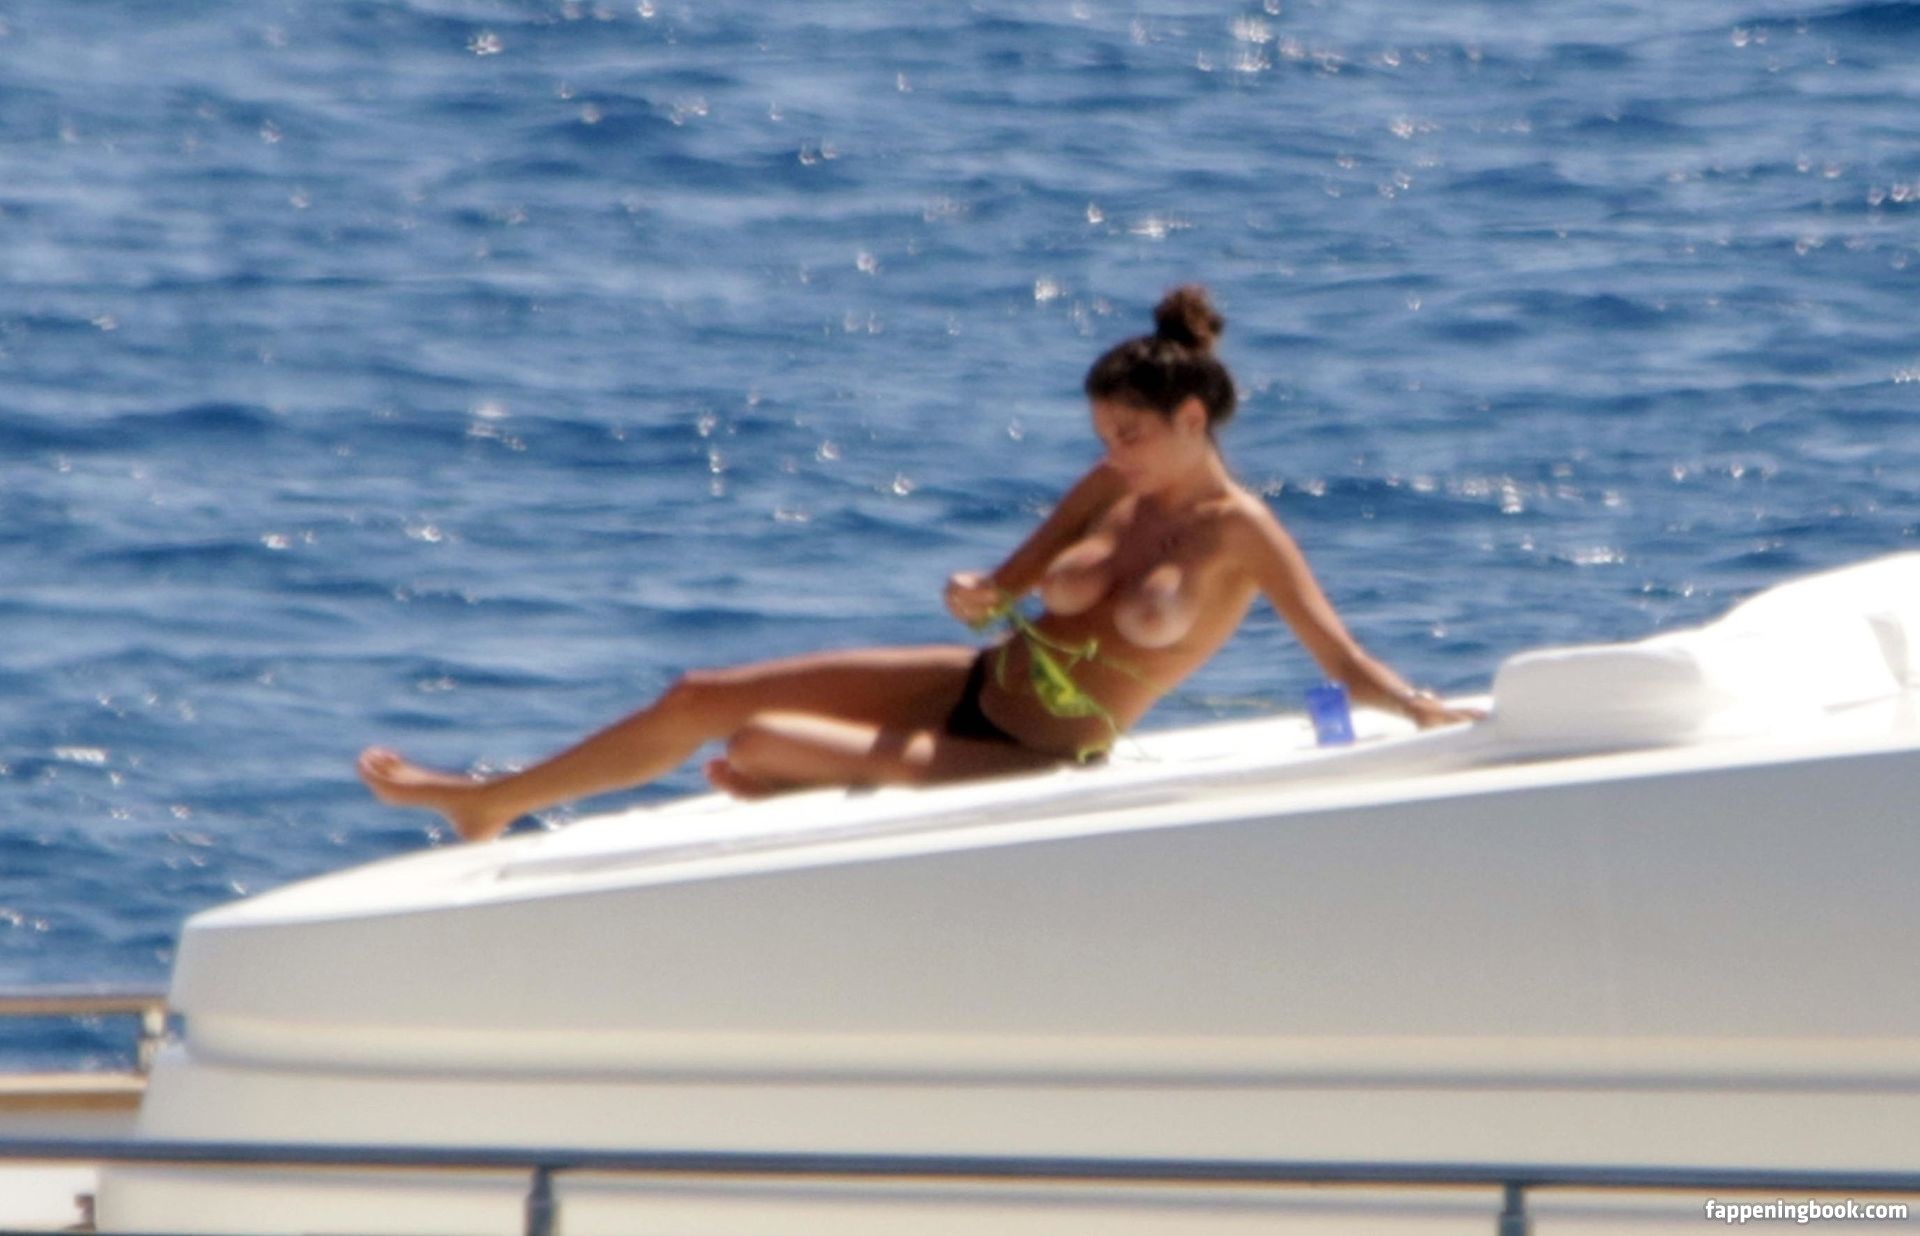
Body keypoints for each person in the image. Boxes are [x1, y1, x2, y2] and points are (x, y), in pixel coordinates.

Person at [359, 286, 1476, 841]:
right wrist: (980, 593)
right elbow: (1006, 591)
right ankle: (488, 801)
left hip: (1036, 754)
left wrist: (1427, 713)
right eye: (1103, 437)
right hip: (971, 686)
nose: (1113, 455)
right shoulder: (1112, 487)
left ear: (1193, 420)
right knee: (701, 695)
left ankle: (803, 770)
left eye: (1131, 435)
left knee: (756, 743)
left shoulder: (1242, 534)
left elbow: (1340, 659)